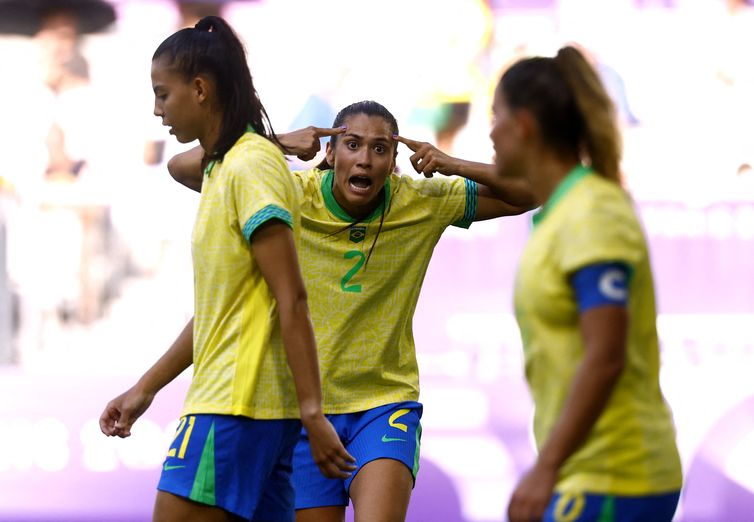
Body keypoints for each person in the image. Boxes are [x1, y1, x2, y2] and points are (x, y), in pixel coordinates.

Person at [168, 99, 534, 522]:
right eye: (353, 145)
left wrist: (452, 163)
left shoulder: (421, 200)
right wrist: (275, 144)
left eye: (380, 149)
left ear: (394, 161)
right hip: (306, 413)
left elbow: (530, 191)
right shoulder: (291, 193)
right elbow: (183, 166)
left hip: (384, 404)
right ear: (330, 153)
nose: (364, 159)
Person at [99, 16, 354, 522]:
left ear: (199, 89)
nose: (156, 110)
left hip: (234, 409)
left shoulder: (249, 166)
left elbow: (293, 296)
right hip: (254, 411)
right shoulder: (226, 166)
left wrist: (313, 411)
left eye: (162, 94)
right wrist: (145, 388)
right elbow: (222, 312)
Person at [486, 46, 683, 522]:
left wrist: (545, 468)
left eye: (496, 116)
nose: (490, 131)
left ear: (525, 126)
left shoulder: (592, 211)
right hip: (589, 474)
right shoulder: (560, 213)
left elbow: (606, 355)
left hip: (615, 475)